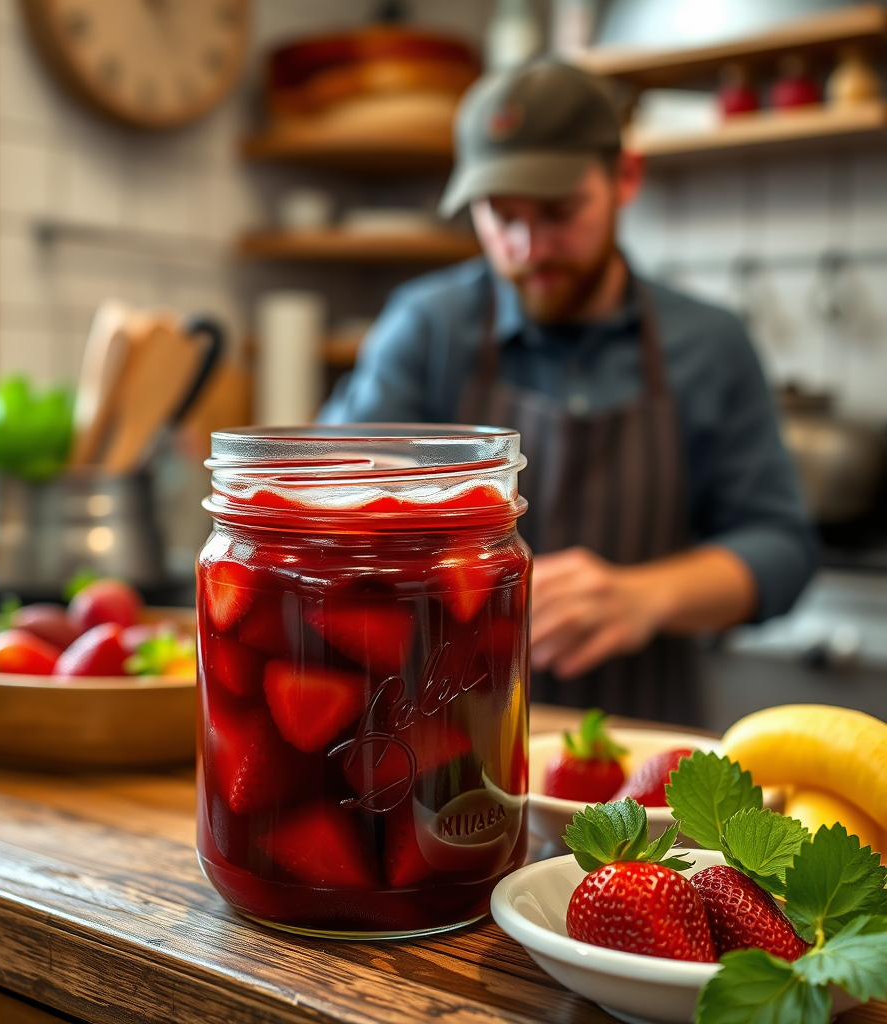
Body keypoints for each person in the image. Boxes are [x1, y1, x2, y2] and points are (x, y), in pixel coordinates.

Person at [319, 60, 817, 724]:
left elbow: (782, 547)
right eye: (501, 216)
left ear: (626, 179)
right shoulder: (426, 326)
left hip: (639, 745)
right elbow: (331, 499)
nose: (528, 247)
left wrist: (645, 596)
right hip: (437, 739)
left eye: (559, 212)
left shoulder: (710, 342)